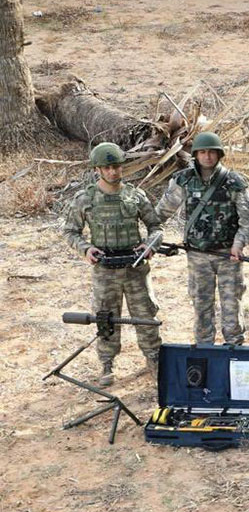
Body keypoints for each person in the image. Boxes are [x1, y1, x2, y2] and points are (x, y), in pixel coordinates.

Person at [62, 142, 163, 386]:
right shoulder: (86, 199)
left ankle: (154, 359)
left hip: (135, 268)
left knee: (145, 315)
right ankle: (106, 363)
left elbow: (156, 227)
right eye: (107, 168)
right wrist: (86, 249)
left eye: (116, 166)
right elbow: (70, 231)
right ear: (97, 170)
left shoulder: (135, 196)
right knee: (105, 318)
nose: (113, 172)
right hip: (105, 270)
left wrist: (149, 245)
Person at [156, 132, 249, 345]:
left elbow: (247, 218)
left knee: (232, 303)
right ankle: (204, 348)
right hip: (198, 255)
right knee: (201, 304)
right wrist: (151, 235)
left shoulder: (234, 182)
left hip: (228, 255)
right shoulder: (184, 180)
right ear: (196, 155)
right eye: (202, 152)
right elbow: (162, 212)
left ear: (219, 154)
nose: (207, 156)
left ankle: (234, 347)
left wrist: (238, 244)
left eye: (211, 152)